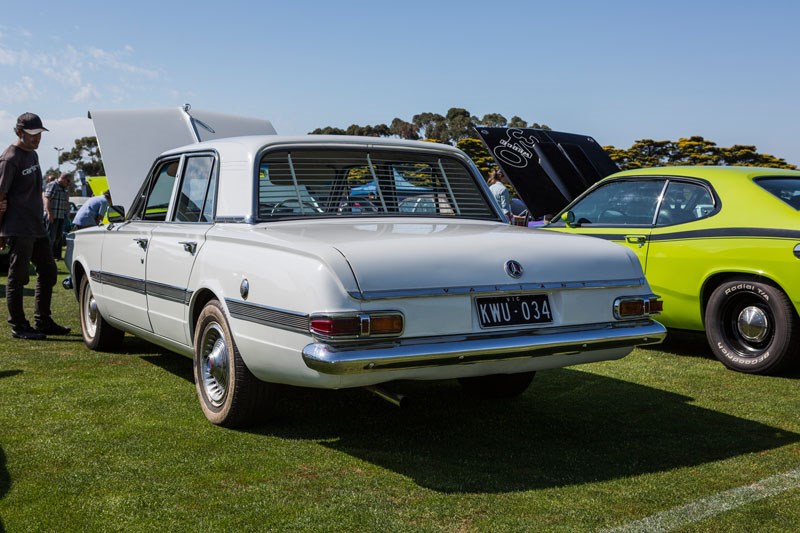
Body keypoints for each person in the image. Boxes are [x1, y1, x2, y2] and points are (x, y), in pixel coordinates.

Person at [0, 112, 71, 340]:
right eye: (32, 134)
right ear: (19, 132)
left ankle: (43, 320)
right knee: (17, 277)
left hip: (36, 225)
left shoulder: (33, 155)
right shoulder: (10, 158)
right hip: (18, 227)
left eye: (39, 134)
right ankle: (19, 326)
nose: (37, 138)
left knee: (49, 271)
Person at [43, 172, 72, 259]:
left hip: (60, 216)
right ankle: (47, 256)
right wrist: (49, 213)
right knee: (50, 238)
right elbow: (47, 199)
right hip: (53, 216)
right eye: (68, 181)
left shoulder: (63, 188)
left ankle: (54, 256)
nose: (68, 183)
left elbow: (65, 202)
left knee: (57, 238)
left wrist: (67, 213)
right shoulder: (53, 185)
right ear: (63, 178)